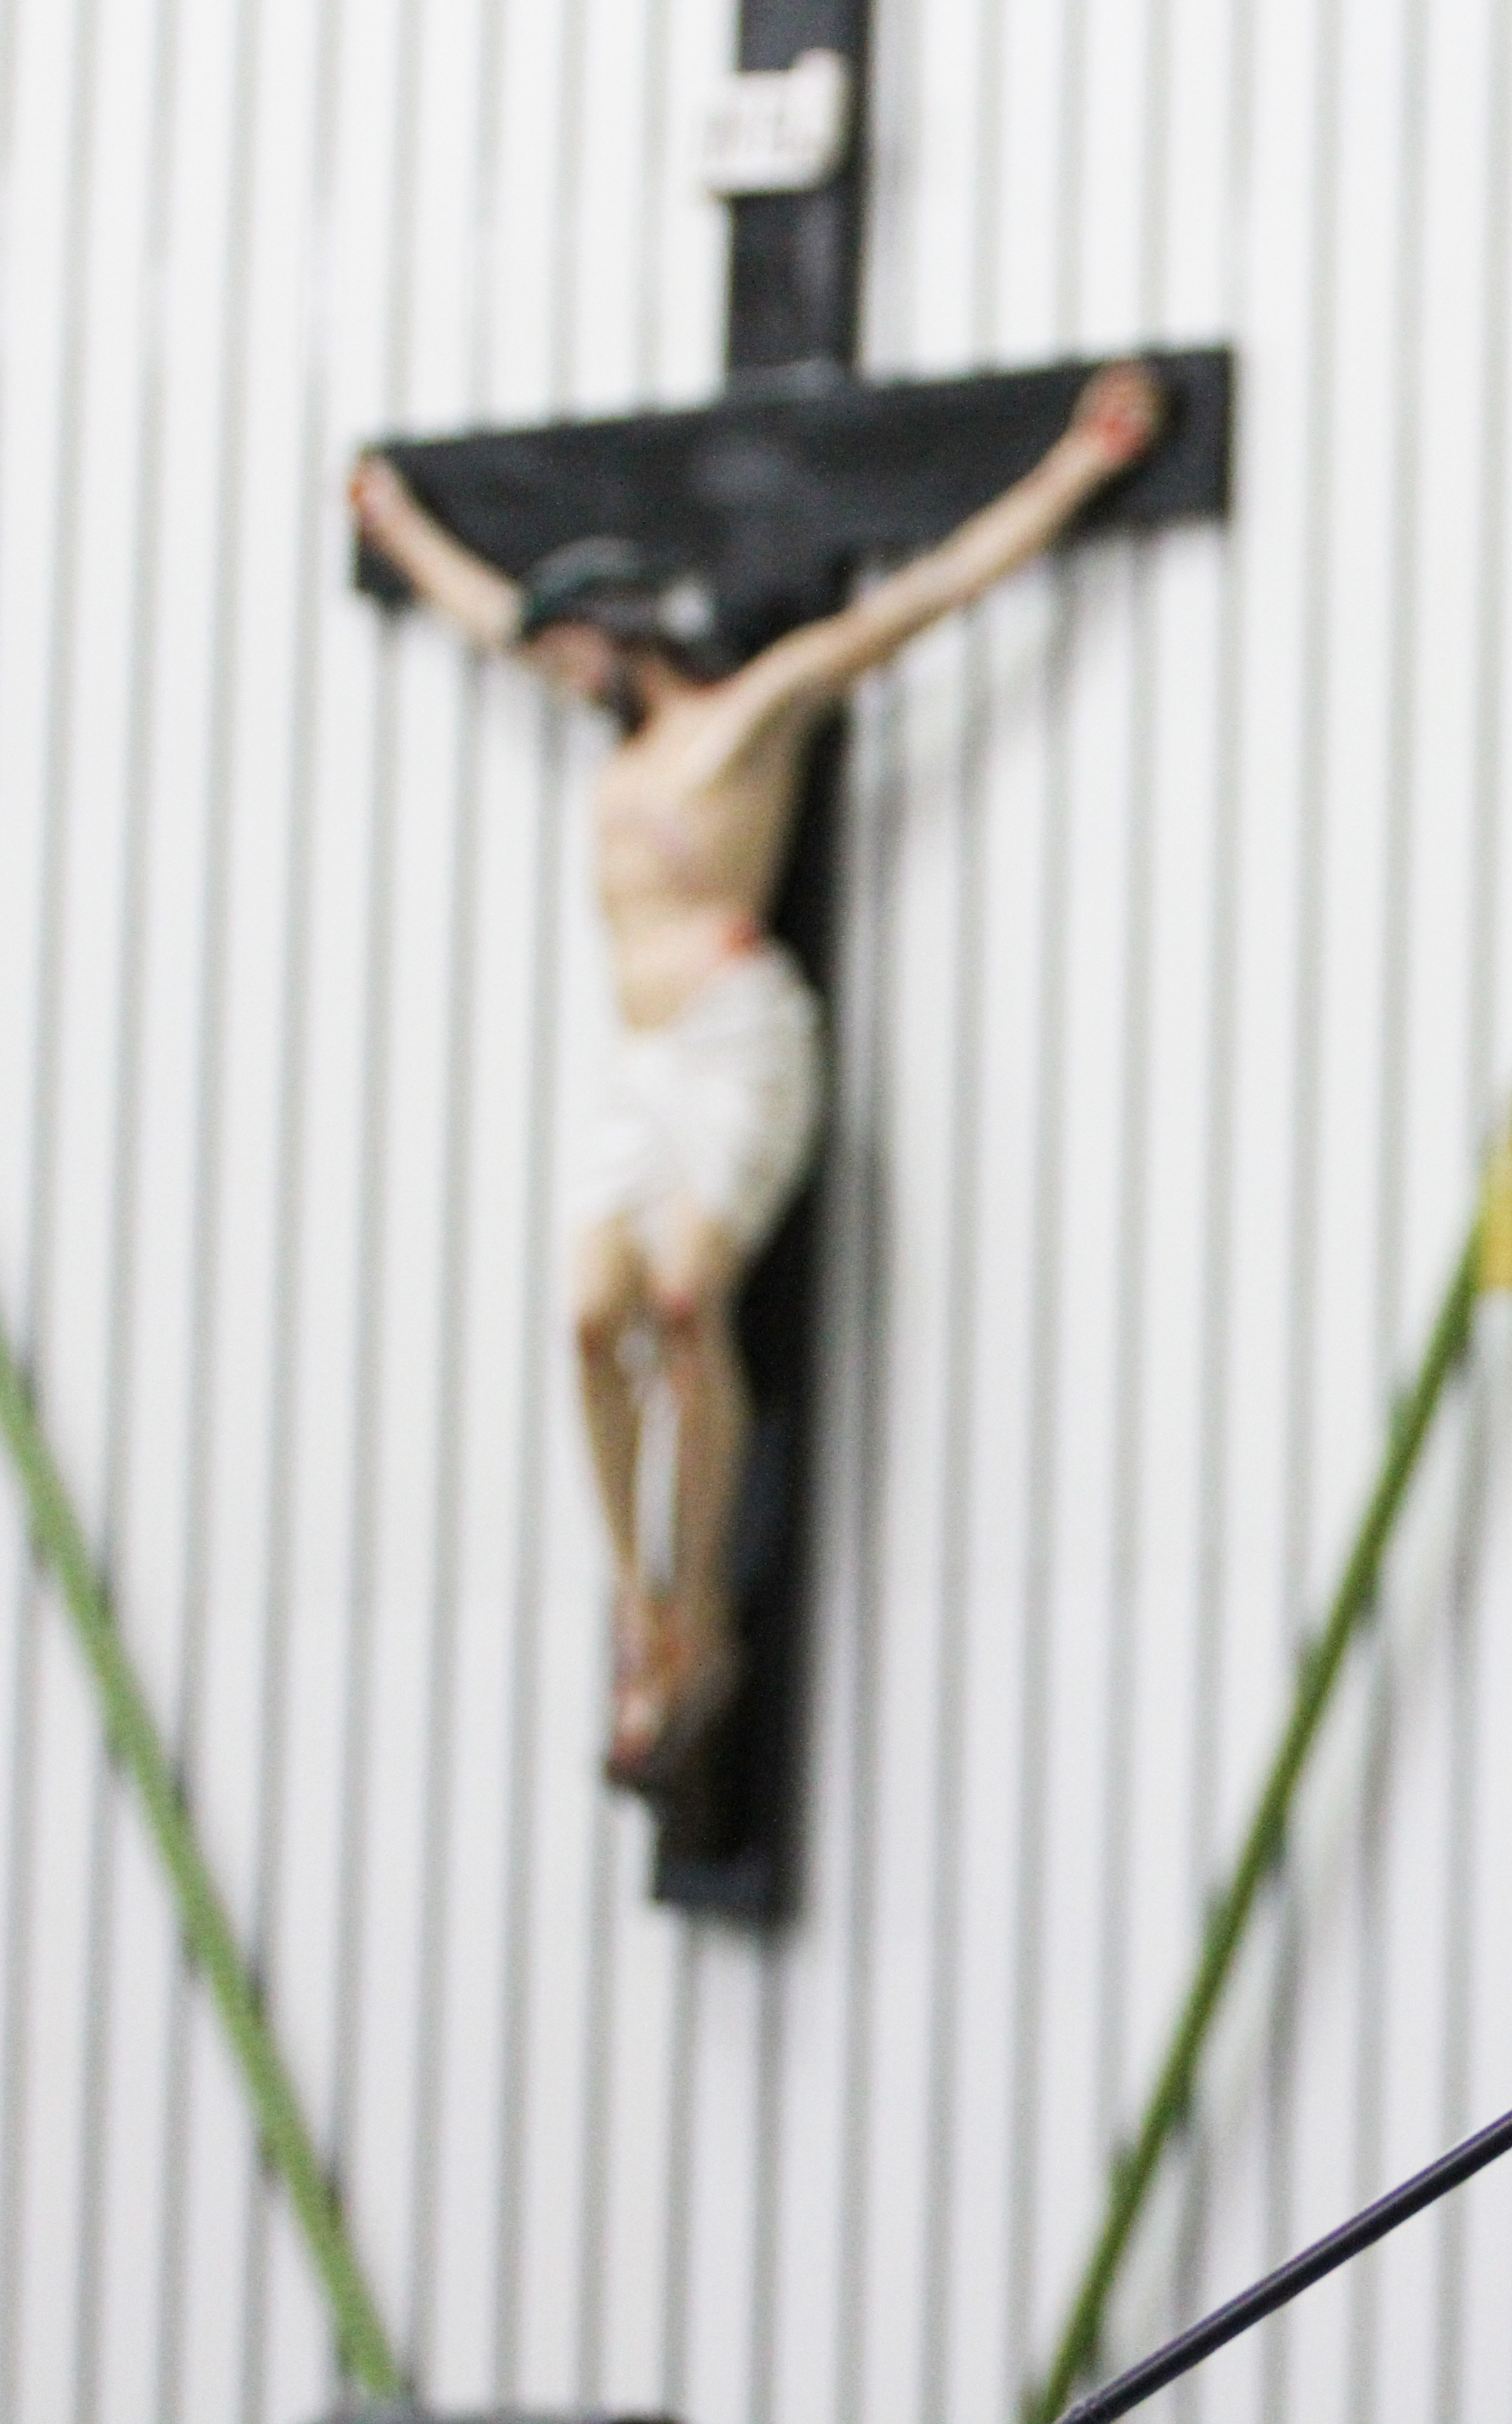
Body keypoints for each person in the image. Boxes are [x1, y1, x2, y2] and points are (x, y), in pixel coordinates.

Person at [351, 360, 1166, 1793]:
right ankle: (645, 1598)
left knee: (681, 1301)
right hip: (642, 1061)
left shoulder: (746, 718)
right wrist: (400, 526)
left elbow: (921, 602)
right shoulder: (611, 750)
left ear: (628, 632)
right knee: (589, 1320)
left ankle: (706, 1598)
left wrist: (1076, 467)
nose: (562, 671)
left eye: (577, 648)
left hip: (734, 1037)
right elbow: (490, 615)